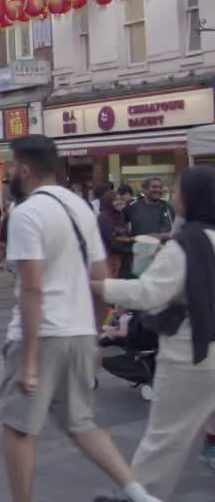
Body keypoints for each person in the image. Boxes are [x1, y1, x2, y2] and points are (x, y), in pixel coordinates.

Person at [0, 135, 162, 502]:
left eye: (10, 165)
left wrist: (26, 362)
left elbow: (32, 289)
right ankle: (139, 494)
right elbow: (101, 277)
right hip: (76, 330)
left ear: (24, 168)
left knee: (18, 427)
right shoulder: (80, 207)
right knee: (81, 423)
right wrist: (92, 332)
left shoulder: (27, 214)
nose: (9, 172)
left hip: (41, 334)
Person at [89, 165, 215, 501]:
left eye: (178, 190)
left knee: (165, 436)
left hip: (191, 351)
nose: (172, 196)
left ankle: (138, 496)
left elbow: (148, 293)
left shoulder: (186, 244)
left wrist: (100, 286)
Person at [123, 178, 175, 280]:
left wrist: (159, 236)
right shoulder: (132, 206)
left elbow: (176, 231)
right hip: (137, 258)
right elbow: (122, 225)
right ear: (145, 190)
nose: (158, 190)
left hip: (160, 256)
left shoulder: (168, 207)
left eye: (160, 187)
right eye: (154, 187)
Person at [98, 192, 133, 280]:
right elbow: (109, 238)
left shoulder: (120, 215)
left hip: (121, 255)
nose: (119, 202)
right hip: (110, 255)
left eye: (120, 199)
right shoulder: (104, 217)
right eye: (115, 200)